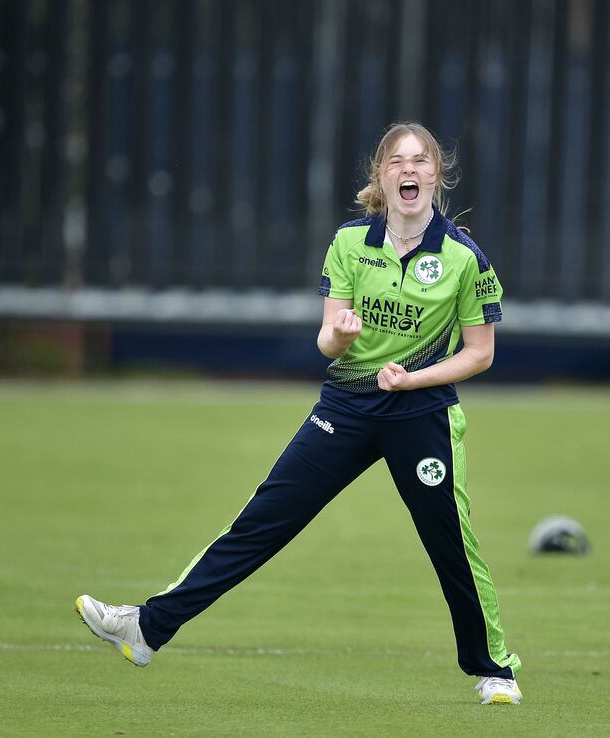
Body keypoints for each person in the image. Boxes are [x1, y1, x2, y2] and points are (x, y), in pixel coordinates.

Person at [76, 121, 523, 705]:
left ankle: (495, 671)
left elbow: (480, 353)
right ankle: (146, 629)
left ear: (437, 176)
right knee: (263, 520)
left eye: (420, 161)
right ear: (381, 177)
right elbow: (326, 342)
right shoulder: (349, 243)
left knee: (450, 543)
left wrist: (415, 378)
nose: (408, 170)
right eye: (396, 161)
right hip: (347, 406)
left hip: (422, 414)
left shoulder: (466, 260)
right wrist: (340, 336)